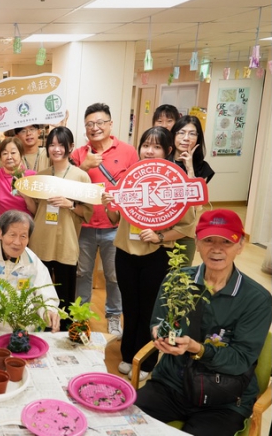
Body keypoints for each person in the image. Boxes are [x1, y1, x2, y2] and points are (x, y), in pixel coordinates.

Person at [136, 209, 271, 436]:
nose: (216, 249)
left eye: (226, 242)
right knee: (123, 424)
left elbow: (240, 360)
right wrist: (158, 334)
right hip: (170, 384)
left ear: (240, 245)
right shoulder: (177, 280)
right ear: (197, 243)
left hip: (224, 399)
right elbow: (158, 321)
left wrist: (197, 349)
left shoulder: (257, 299)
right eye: (208, 240)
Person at [101, 126, 195, 381]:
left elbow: (187, 226)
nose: (149, 151)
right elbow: (115, 218)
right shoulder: (131, 177)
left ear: (168, 151)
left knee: (150, 309)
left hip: (157, 255)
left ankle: (147, 361)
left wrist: (160, 236)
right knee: (130, 306)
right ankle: (126, 354)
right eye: (145, 145)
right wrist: (109, 205)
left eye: (156, 147)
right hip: (125, 252)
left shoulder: (176, 182)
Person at [70, 103, 139, 339]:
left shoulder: (128, 151)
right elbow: (68, 186)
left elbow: (135, 187)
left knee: (113, 275)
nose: (95, 128)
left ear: (110, 124)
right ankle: (80, 317)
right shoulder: (79, 153)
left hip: (115, 227)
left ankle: (113, 317)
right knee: (83, 274)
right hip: (84, 226)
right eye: (89, 124)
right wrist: (84, 166)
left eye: (100, 123)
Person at [23, 126, 92, 315]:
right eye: (52, 145)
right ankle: (41, 330)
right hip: (41, 240)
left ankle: (63, 332)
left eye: (61, 144)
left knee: (65, 295)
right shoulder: (41, 175)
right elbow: (36, 210)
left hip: (66, 243)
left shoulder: (81, 176)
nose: (56, 149)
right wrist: (26, 196)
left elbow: (87, 213)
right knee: (39, 292)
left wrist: (68, 204)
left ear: (71, 146)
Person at [170, 115, 215, 264]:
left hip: (183, 232)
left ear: (198, 138)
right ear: (174, 135)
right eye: (181, 132)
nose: (186, 138)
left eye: (192, 133)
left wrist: (189, 169)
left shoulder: (202, 168)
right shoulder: (161, 161)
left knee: (179, 280)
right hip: (158, 230)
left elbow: (196, 205)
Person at [0, 136, 37, 221]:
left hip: (25, 229)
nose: (9, 157)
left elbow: (37, 211)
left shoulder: (32, 176)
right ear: (0, 157)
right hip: (2, 229)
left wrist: (25, 196)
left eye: (13, 152)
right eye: (4, 153)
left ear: (21, 154)